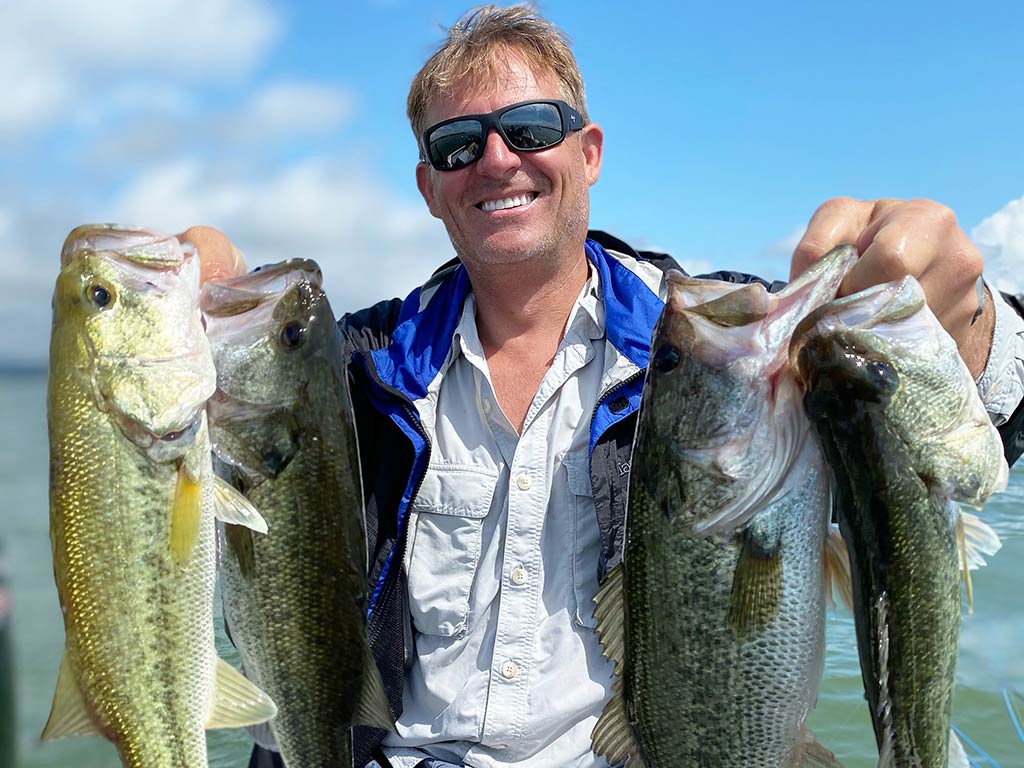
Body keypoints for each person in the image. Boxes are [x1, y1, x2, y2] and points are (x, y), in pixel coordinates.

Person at [185, 5, 1024, 767]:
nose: (496, 159)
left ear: (588, 152)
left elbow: (969, 429)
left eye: (530, 126)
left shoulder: (718, 343)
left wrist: (963, 321)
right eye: (457, 145)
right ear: (431, 189)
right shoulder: (357, 367)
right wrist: (178, 342)